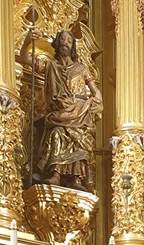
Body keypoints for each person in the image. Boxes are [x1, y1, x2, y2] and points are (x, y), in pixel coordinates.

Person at [34, 30, 103, 191]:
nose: (65, 43)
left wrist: (99, 104)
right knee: (57, 133)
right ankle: (56, 173)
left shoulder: (81, 69)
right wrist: (27, 42)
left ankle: (76, 178)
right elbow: (25, 59)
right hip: (61, 111)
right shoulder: (51, 66)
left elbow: (96, 92)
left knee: (81, 139)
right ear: (57, 43)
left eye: (69, 41)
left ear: (72, 46)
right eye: (63, 40)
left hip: (80, 110)